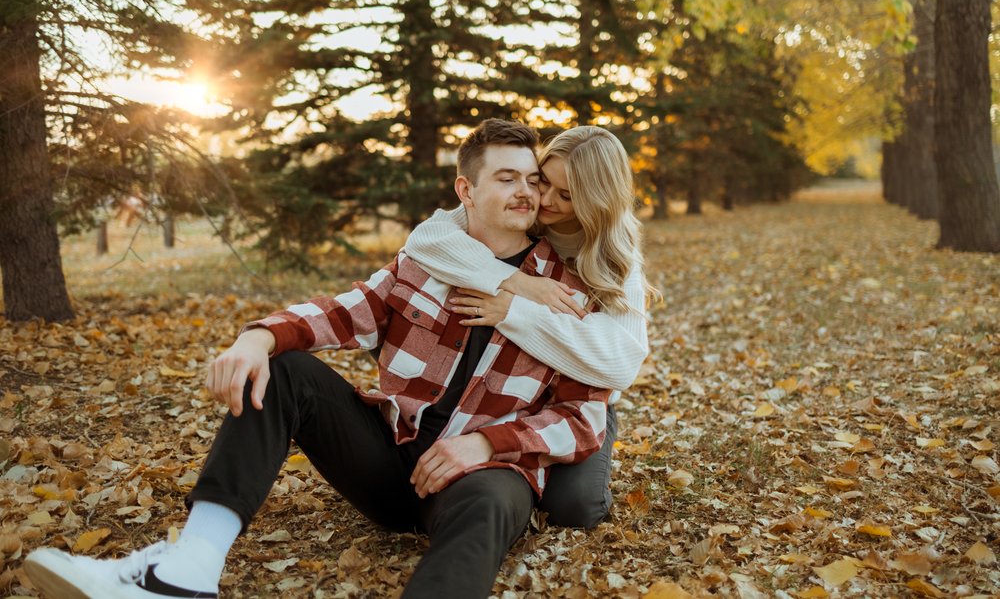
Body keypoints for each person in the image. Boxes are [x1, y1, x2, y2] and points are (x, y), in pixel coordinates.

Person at [23, 119, 611, 599]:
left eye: (532, 180)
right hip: (392, 457)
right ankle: (189, 568)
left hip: (484, 475)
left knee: (489, 502)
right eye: (508, 179)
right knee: (284, 367)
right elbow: (339, 312)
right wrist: (256, 338)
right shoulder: (426, 264)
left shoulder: (567, 290)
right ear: (465, 191)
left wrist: (485, 446)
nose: (527, 194)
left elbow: (584, 418)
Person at [403, 125, 654, 528]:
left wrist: (515, 311)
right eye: (544, 183)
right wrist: (517, 282)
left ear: (597, 200)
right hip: (518, 391)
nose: (546, 200)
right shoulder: (526, 212)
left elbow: (620, 364)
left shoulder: (616, 260)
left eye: (567, 195)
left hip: (580, 396)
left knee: (573, 510)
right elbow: (426, 239)